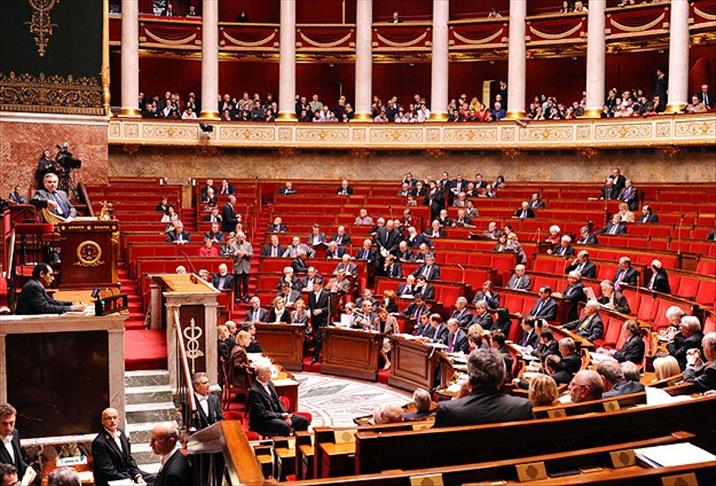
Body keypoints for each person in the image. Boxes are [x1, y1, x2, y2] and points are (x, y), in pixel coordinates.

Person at [434, 349, 534, 427]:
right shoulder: (523, 407)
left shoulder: (448, 410)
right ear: (502, 377)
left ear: (470, 377)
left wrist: (458, 399)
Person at [92, 407, 152, 486]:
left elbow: (129, 459)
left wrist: (137, 476)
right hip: (112, 479)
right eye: (109, 418)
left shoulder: (122, 434)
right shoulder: (99, 442)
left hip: (127, 473)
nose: (112, 421)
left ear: (119, 419)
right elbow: (108, 471)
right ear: (102, 421)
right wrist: (130, 479)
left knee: (154, 480)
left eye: (115, 417)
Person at [248, 361, 310, 436]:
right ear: (261, 375)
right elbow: (262, 414)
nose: (271, 373)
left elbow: (278, 402)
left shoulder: (269, 383)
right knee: (284, 426)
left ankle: (299, 442)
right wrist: (280, 415)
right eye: (269, 372)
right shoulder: (255, 391)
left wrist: (286, 414)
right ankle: (283, 443)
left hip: (277, 415)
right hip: (263, 421)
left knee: (303, 421)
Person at [16, 263, 85, 314]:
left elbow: (51, 302)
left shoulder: (35, 284)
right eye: (51, 275)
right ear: (41, 274)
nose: (53, 278)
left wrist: (71, 303)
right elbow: (45, 308)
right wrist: (71, 308)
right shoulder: (33, 286)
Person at [0, 404, 27, 480]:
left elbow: (18, 460)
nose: (8, 428)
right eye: (4, 424)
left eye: (11, 423)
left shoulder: (15, 433)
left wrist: (29, 469)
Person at [232, 232, 253, 302]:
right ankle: (237, 297)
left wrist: (246, 253)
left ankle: (245, 296)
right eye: (239, 237)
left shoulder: (248, 244)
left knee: (245, 284)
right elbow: (230, 255)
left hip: (246, 267)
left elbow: (251, 254)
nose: (241, 239)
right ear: (237, 238)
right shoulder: (233, 245)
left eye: (242, 237)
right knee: (237, 284)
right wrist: (235, 253)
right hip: (237, 266)